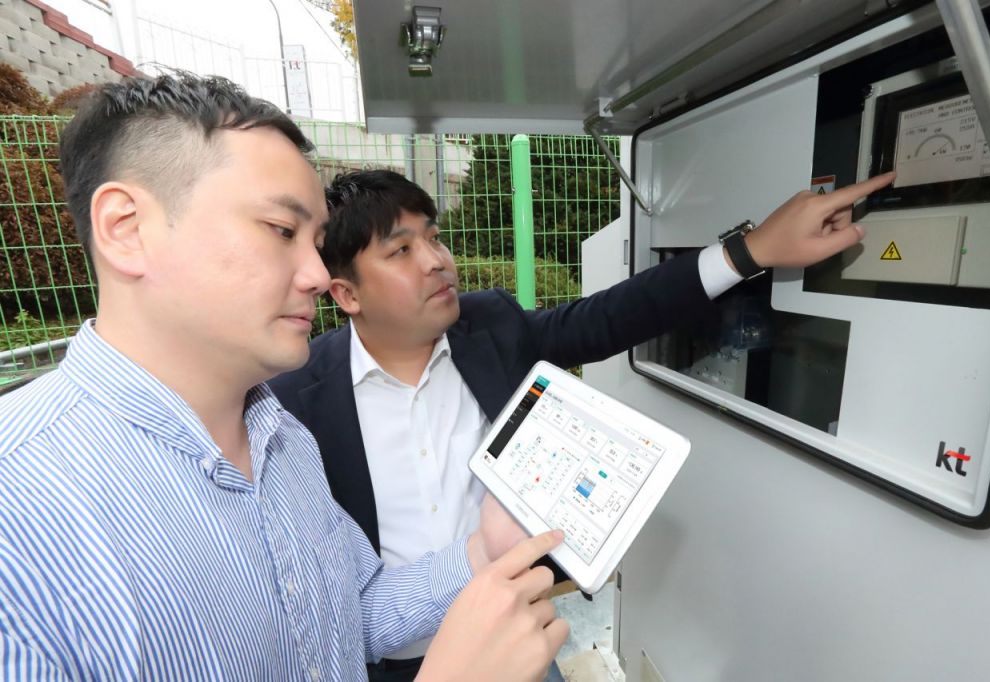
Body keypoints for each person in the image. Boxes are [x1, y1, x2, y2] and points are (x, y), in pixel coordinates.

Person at [0, 73, 567, 682]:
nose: (318, 276)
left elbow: (351, 615)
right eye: (281, 231)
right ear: (127, 228)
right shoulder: (20, 510)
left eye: (316, 242)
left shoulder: (286, 442)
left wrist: (484, 549)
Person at [268, 167, 897, 680]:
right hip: (394, 666)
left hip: (523, 638)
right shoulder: (293, 400)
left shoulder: (490, 327)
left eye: (434, 238)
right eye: (401, 250)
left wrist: (748, 251)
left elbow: (609, 317)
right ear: (346, 294)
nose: (436, 261)